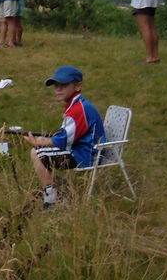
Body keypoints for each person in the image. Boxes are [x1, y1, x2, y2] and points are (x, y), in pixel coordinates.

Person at [24, 66, 106, 209]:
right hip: (85, 149)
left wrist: (40, 141)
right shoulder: (76, 105)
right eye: (56, 86)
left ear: (78, 86)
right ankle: (56, 189)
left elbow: (63, 141)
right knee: (40, 152)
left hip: (87, 154)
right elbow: (67, 133)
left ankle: (52, 199)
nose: (58, 89)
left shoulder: (79, 109)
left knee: (37, 153)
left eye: (64, 85)